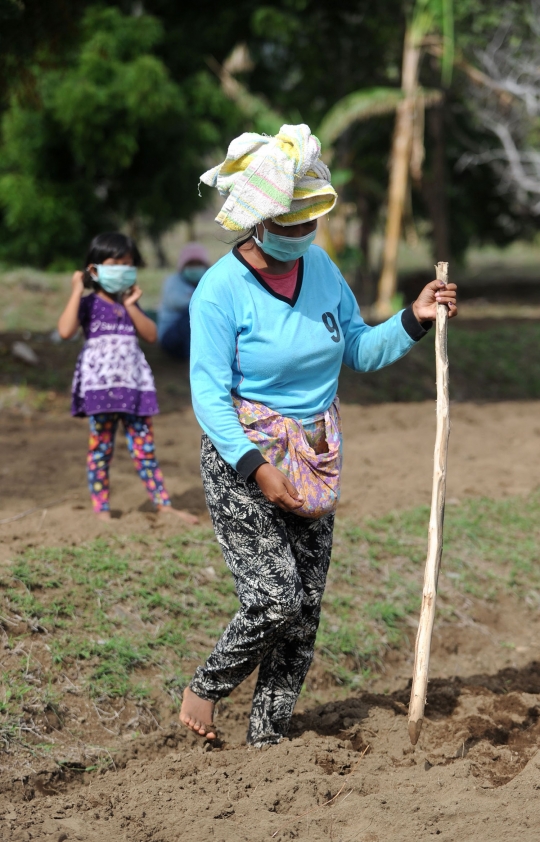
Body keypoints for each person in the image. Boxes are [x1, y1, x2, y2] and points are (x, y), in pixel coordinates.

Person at [180, 124, 458, 746]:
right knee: (275, 596)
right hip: (244, 459)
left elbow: (356, 348)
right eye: (291, 225)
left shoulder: (320, 267)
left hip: (314, 454)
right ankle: (206, 686)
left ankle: (267, 739)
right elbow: (206, 395)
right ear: (257, 222)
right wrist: (256, 466)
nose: (303, 235)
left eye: (310, 223)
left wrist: (413, 319)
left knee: (303, 614)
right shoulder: (220, 293)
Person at [58, 231, 198, 525]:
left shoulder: (131, 306)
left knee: (145, 450)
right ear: (94, 269)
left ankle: (163, 504)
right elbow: (65, 331)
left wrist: (132, 304)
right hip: (100, 392)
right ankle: (102, 508)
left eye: (128, 263)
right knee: (100, 450)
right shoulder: (87, 305)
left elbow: (150, 335)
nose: (122, 269)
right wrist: (75, 291)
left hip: (134, 391)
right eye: (115, 262)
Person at [157, 243, 211, 359]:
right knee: (194, 314)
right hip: (171, 336)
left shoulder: (208, 281)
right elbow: (176, 303)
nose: (195, 268)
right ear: (183, 265)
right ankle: (193, 361)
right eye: (191, 264)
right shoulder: (173, 282)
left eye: (198, 264)